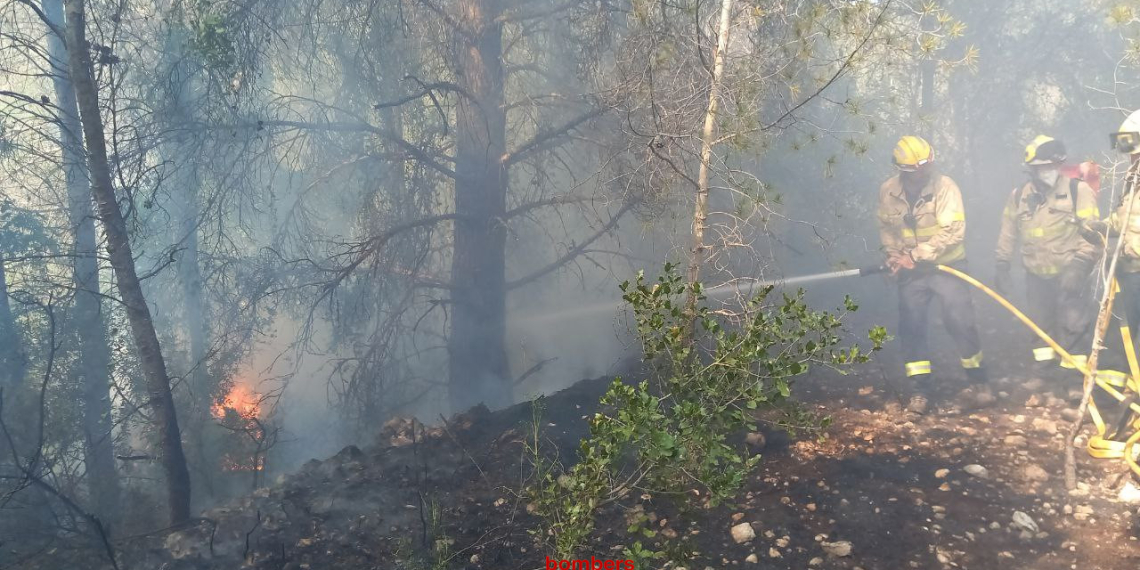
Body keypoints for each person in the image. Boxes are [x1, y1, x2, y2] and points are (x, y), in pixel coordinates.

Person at [878, 135, 989, 414]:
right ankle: (919, 391)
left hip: (946, 267)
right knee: (911, 326)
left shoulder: (945, 187)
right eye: (920, 167)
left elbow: (953, 231)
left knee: (959, 320)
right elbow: (887, 229)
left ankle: (979, 384)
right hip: (911, 272)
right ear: (905, 170)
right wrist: (893, 256)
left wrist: (916, 255)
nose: (927, 170)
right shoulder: (888, 191)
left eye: (928, 164)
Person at [994, 135, 1101, 374]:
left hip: (1070, 271)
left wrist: (1081, 265)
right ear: (1031, 169)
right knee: (1040, 326)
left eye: (1050, 166)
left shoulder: (1078, 190)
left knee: (1073, 325)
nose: (1046, 171)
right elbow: (1008, 231)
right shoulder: (1019, 195)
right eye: (1040, 167)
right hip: (1035, 274)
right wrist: (1002, 264)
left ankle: (1074, 379)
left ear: (1059, 164)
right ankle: (1044, 375)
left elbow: (1093, 233)